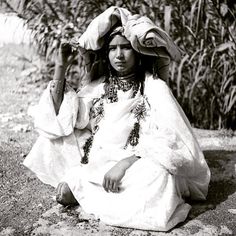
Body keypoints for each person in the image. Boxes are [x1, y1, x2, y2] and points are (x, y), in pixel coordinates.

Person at [24, 6, 210, 232]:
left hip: (136, 161)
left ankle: (83, 187)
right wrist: (61, 66)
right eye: (112, 49)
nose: (119, 55)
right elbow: (63, 118)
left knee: (161, 176)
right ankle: (89, 184)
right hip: (98, 156)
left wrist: (124, 163)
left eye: (126, 48)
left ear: (138, 52)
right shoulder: (100, 85)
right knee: (51, 139)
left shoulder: (154, 87)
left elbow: (171, 139)